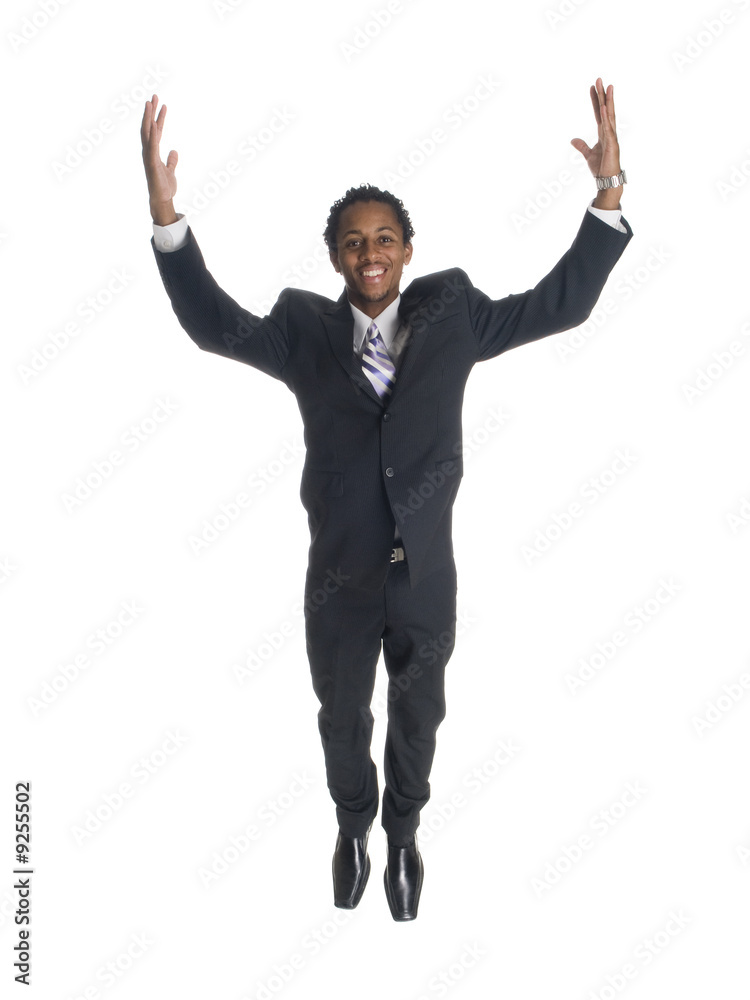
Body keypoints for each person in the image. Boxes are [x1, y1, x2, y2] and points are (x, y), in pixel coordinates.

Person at [141, 78, 633, 920]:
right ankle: (352, 822)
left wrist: (607, 191)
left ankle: (403, 832)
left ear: (406, 250)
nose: (370, 253)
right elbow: (211, 324)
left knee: (418, 715)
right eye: (353, 242)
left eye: (385, 239)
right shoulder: (304, 330)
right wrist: (169, 223)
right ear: (335, 257)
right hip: (338, 580)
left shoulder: (454, 316)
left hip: (425, 579)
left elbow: (564, 303)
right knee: (341, 717)